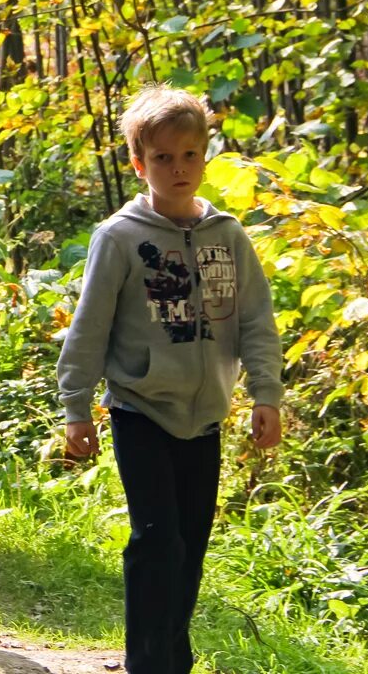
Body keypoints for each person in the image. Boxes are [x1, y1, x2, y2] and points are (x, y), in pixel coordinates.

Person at [57, 85, 283, 674]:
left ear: (205, 158)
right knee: (156, 541)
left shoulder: (230, 237)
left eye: (190, 155)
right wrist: (76, 406)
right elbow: (89, 327)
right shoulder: (120, 238)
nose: (178, 168)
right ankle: (148, 662)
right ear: (139, 164)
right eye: (163, 157)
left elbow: (257, 320)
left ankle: (171, 654)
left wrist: (266, 394)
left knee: (190, 549)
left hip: (205, 416)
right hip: (140, 409)